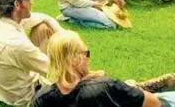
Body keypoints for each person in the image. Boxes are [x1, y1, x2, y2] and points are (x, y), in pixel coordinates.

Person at [33, 30, 175, 107]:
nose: (89, 58)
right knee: (163, 99)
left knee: (128, 88)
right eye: (86, 53)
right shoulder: (104, 86)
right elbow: (154, 104)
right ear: (77, 58)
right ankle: (146, 87)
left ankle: (140, 86)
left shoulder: (41, 98)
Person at [0, 0, 63, 106]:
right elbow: (57, 70)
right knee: (79, 91)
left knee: (42, 28)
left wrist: (64, 35)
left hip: (2, 91)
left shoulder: (0, 21)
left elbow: (44, 18)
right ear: (17, 4)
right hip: (24, 98)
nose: (32, 3)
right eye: (28, 0)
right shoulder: (16, 44)